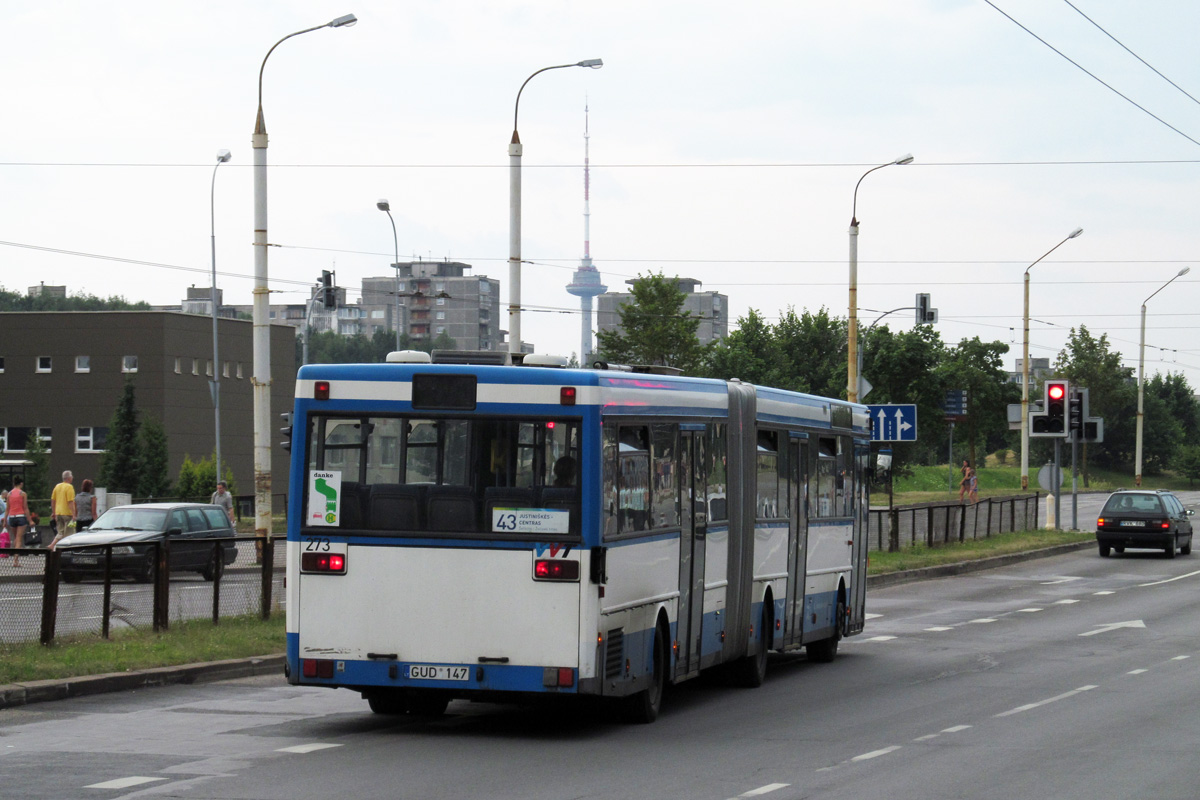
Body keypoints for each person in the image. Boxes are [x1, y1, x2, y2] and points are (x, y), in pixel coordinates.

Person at [49, 470, 77, 551]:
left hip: (59, 513)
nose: (72, 478)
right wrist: (74, 514)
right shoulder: (69, 487)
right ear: (69, 478)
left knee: (60, 532)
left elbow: (53, 500)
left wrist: (54, 512)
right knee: (70, 533)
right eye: (72, 476)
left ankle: (52, 545)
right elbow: (70, 502)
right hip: (67, 513)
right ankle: (66, 550)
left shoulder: (57, 486)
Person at [7, 477, 29, 567]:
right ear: (21, 483)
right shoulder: (23, 494)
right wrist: (30, 520)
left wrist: (5, 520)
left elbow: (7, 508)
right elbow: (25, 508)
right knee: (19, 538)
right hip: (20, 517)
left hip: (11, 517)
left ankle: (14, 557)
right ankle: (16, 561)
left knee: (16, 538)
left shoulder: (9, 494)